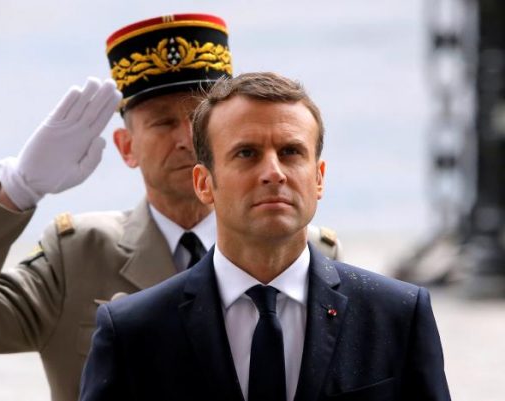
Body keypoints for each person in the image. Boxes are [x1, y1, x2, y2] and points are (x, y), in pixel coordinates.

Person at [0, 14, 342, 401]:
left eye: (197, 122)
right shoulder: (80, 255)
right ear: (126, 146)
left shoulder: (304, 252)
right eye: (163, 122)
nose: (185, 139)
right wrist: (18, 191)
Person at [79, 72, 451, 401]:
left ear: (318, 178)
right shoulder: (133, 332)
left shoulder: (396, 315)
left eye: (291, 152)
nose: (273, 172)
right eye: (247, 153)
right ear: (204, 183)